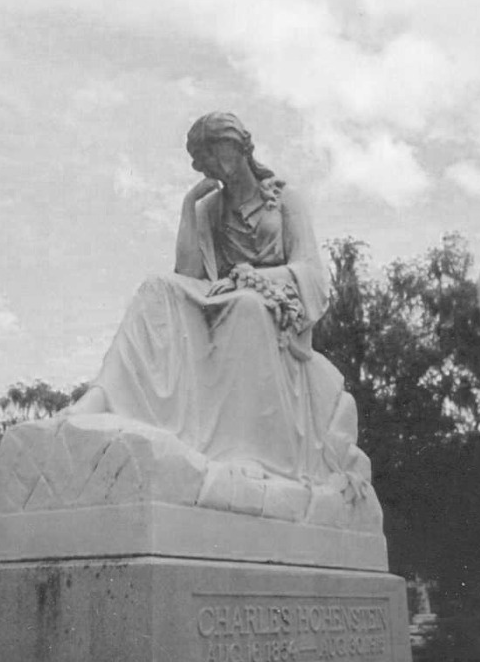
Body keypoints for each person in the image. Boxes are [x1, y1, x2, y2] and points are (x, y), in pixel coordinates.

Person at [67, 112, 357, 484]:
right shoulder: (210, 208)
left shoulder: (285, 199)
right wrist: (189, 208)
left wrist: (249, 278)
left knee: (247, 307)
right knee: (157, 287)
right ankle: (104, 397)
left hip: (273, 306)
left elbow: (312, 275)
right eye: (206, 158)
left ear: (240, 147)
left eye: (219, 151)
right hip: (218, 297)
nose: (215, 164)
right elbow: (188, 275)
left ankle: (250, 452)